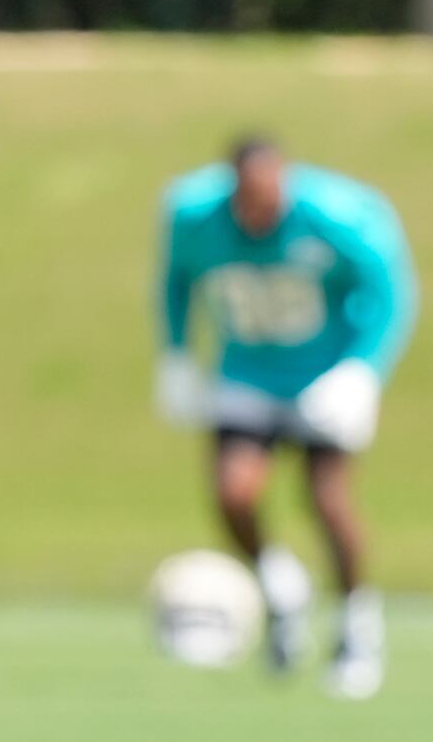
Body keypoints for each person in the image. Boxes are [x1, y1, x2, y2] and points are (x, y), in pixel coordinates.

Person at [155, 136, 418, 699]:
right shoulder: (193, 216)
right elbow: (177, 280)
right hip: (248, 369)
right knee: (233, 493)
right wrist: (176, 354)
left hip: (323, 374)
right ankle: (281, 586)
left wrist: (362, 370)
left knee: (326, 500)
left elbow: (391, 288)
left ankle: (357, 623)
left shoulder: (334, 214)